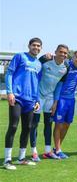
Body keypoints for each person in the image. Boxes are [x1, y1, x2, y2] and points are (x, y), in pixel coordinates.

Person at [4, 38, 42, 170]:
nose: (36, 47)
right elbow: (9, 73)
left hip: (30, 100)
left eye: (38, 46)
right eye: (34, 45)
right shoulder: (20, 56)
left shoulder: (38, 64)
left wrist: (37, 100)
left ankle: (21, 158)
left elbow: (37, 83)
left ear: (40, 48)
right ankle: (7, 160)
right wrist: (10, 92)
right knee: (13, 126)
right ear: (29, 46)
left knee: (27, 128)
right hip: (17, 98)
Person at [30, 44, 69, 160]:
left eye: (65, 53)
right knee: (34, 124)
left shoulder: (66, 67)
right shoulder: (45, 60)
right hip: (38, 97)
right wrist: (35, 98)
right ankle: (34, 152)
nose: (63, 54)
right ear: (55, 52)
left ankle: (47, 151)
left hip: (50, 98)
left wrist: (55, 101)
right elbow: (35, 75)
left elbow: (59, 85)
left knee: (48, 124)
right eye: (61, 52)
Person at [52, 50, 77, 159]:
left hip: (71, 100)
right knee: (59, 124)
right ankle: (58, 150)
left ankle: (57, 148)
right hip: (61, 99)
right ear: (72, 57)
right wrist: (56, 101)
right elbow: (59, 83)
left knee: (67, 124)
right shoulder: (66, 66)